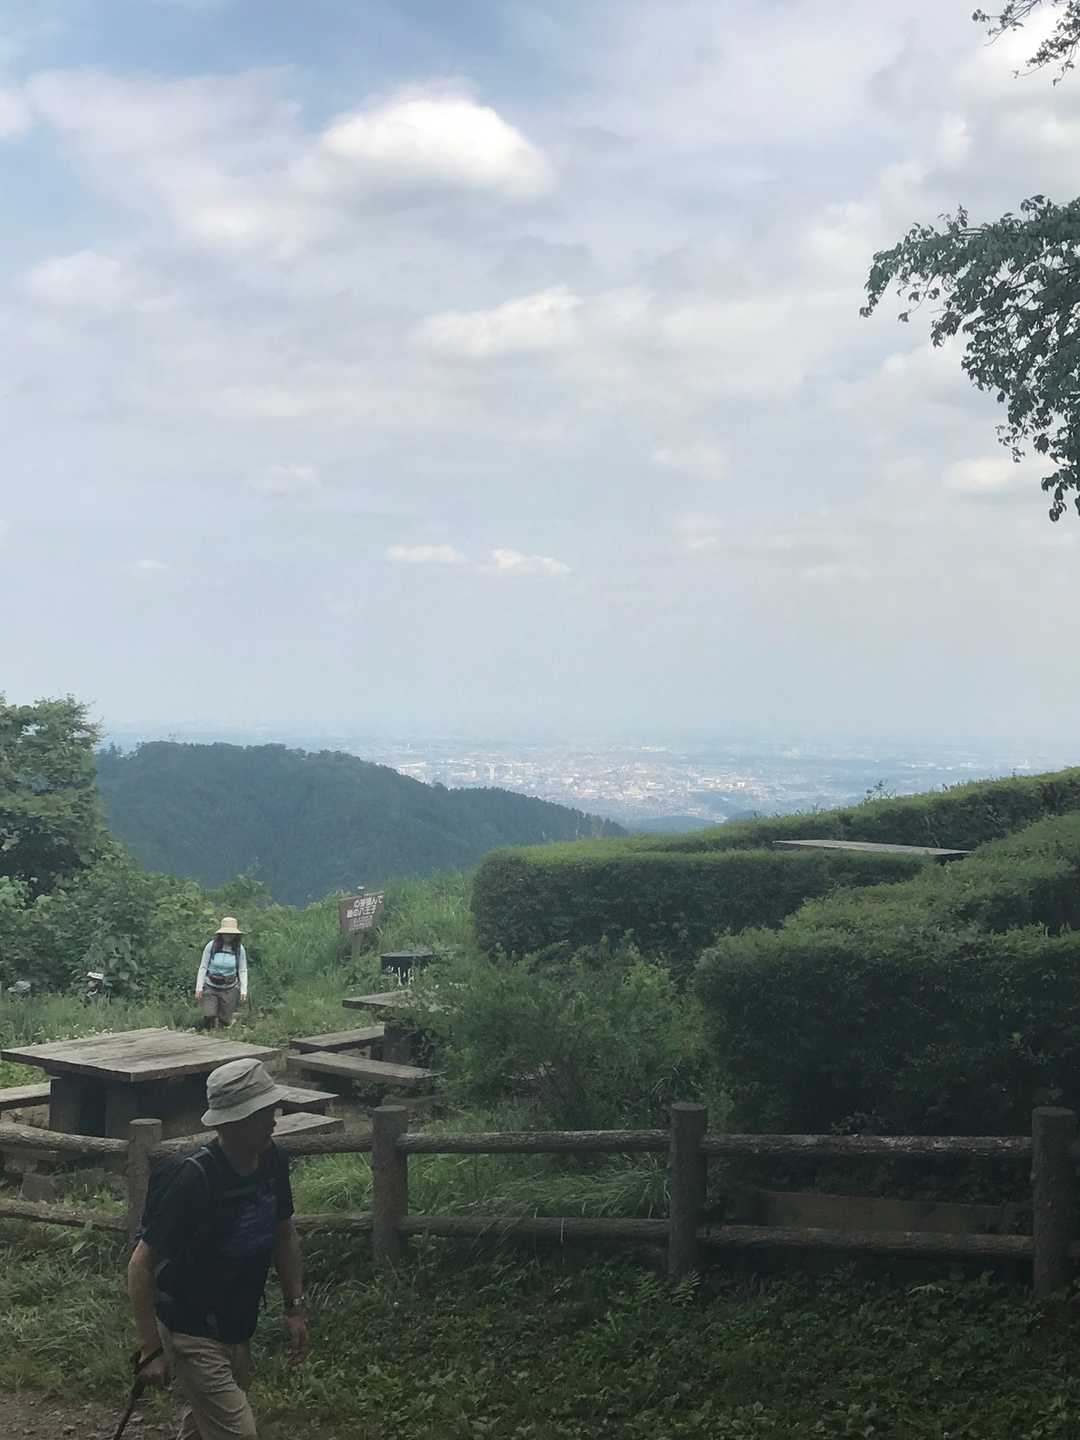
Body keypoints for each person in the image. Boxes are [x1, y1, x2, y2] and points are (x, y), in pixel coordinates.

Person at [127, 1057, 308, 1440]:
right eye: (261, 1114)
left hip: (237, 1324)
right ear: (230, 1122)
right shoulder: (193, 1180)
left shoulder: (273, 1162)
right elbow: (141, 1264)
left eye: (271, 1110)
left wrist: (294, 1307)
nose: (273, 1121)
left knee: (207, 1425)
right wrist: (150, 1347)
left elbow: (284, 1234)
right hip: (190, 1328)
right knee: (239, 1433)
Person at [195, 918, 248, 1029]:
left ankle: (224, 1025)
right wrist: (199, 987)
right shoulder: (211, 946)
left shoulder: (239, 949)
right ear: (221, 934)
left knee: (225, 1020)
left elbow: (242, 969)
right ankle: (207, 1030)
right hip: (211, 985)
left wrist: (244, 990)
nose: (228, 936)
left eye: (231, 934)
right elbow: (203, 967)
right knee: (209, 1014)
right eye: (226, 933)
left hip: (230, 987)